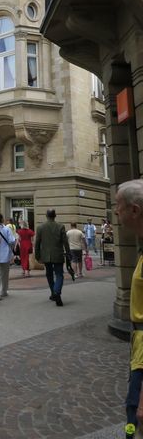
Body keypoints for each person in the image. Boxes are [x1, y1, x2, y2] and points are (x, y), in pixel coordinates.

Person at [114, 180, 143, 439]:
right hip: (138, 347)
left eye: (118, 205)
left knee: (135, 417)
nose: (115, 211)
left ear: (134, 210)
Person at [34, 209, 70, 307]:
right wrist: (68, 253)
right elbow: (65, 242)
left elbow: (37, 243)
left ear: (46, 216)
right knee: (59, 275)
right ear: (55, 216)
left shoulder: (40, 227)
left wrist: (37, 256)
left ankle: (54, 292)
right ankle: (56, 292)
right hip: (58, 254)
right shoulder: (60, 226)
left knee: (49, 274)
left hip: (46, 255)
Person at [0, 214, 15, 298]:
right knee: (5, 273)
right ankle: (4, 290)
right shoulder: (6, 229)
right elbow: (12, 240)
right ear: (1, 219)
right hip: (6, 254)